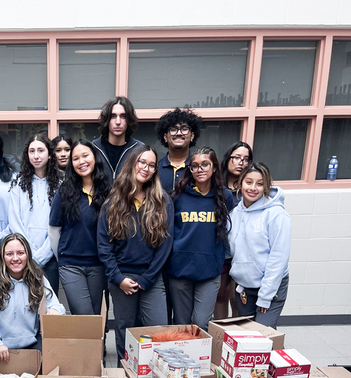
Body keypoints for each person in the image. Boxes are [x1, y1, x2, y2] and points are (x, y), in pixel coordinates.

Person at [98, 146, 174, 361]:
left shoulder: (162, 200)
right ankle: (126, 377)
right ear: (132, 163)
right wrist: (118, 278)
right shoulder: (113, 202)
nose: (146, 168)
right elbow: (104, 245)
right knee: (125, 330)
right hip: (121, 278)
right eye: (142, 162)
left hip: (152, 277)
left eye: (151, 165)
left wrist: (149, 278)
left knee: (158, 332)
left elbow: (165, 245)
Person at [167, 147, 235, 331]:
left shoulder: (224, 196)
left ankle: (200, 359)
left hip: (210, 271)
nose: (200, 169)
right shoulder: (178, 196)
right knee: (181, 325)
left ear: (214, 167)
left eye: (205, 164)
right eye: (194, 165)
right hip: (180, 270)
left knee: (201, 323)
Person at [49, 139, 110, 315]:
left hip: (99, 264)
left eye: (85, 156)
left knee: (99, 315)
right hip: (71, 265)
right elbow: (54, 230)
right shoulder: (64, 191)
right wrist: (62, 258)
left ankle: (100, 344)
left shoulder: (108, 191)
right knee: (84, 316)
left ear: (95, 157)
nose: (81, 161)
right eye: (75, 158)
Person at [0, 233, 65, 363]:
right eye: (9, 254)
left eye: (20, 253)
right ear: (2, 256)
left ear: (28, 255)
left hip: (31, 345)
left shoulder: (38, 279)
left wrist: (55, 311)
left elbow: (56, 306)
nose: (15, 258)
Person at [229, 162, 291, 328]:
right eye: (248, 182)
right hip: (244, 286)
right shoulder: (235, 213)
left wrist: (265, 296)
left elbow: (278, 258)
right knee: (248, 335)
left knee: (263, 335)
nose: (253, 188)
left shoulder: (277, 214)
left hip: (271, 286)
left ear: (266, 187)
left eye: (260, 183)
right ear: (240, 183)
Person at [8, 133, 61, 294]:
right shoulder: (17, 184)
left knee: (49, 303)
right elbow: (14, 221)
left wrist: (43, 255)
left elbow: (59, 225)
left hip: (50, 256)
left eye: (40, 150)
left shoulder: (60, 185)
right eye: (32, 151)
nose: (36, 156)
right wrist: (28, 253)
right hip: (23, 257)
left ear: (50, 154)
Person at [214, 141, 254, 319]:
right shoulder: (216, 185)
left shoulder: (251, 189)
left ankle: (239, 340)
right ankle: (221, 338)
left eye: (246, 159)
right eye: (236, 157)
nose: (241, 162)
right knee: (220, 295)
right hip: (221, 248)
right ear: (228, 158)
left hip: (244, 252)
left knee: (237, 297)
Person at [92, 96, 143, 183]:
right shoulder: (93, 149)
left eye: (123, 116)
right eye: (113, 116)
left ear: (129, 119)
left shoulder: (139, 150)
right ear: (107, 119)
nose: (118, 122)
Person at [156, 107, 202, 194]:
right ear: (165, 137)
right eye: (173, 129)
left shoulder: (199, 169)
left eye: (184, 129)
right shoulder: (155, 169)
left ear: (192, 136)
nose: (179, 133)